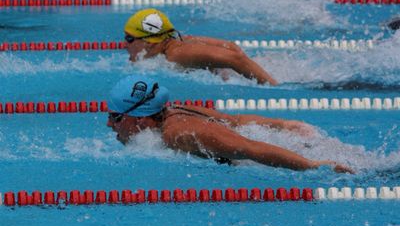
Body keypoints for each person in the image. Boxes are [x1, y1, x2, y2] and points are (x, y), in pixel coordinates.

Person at [107, 74, 354, 174]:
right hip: (286, 145)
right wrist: (284, 125)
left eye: (116, 117)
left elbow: (250, 148)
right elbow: (236, 122)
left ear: (138, 118)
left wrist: (314, 166)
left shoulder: (178, 133)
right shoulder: (173, 112)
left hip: (286, 156)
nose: (110, 124)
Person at [123, 8, 278, 85]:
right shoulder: (179, 41)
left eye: (129, 39)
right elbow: (231, 46)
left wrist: (272, 87)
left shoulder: (176, 55)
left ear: (150, 42)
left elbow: (235, 57)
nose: (125, 45)